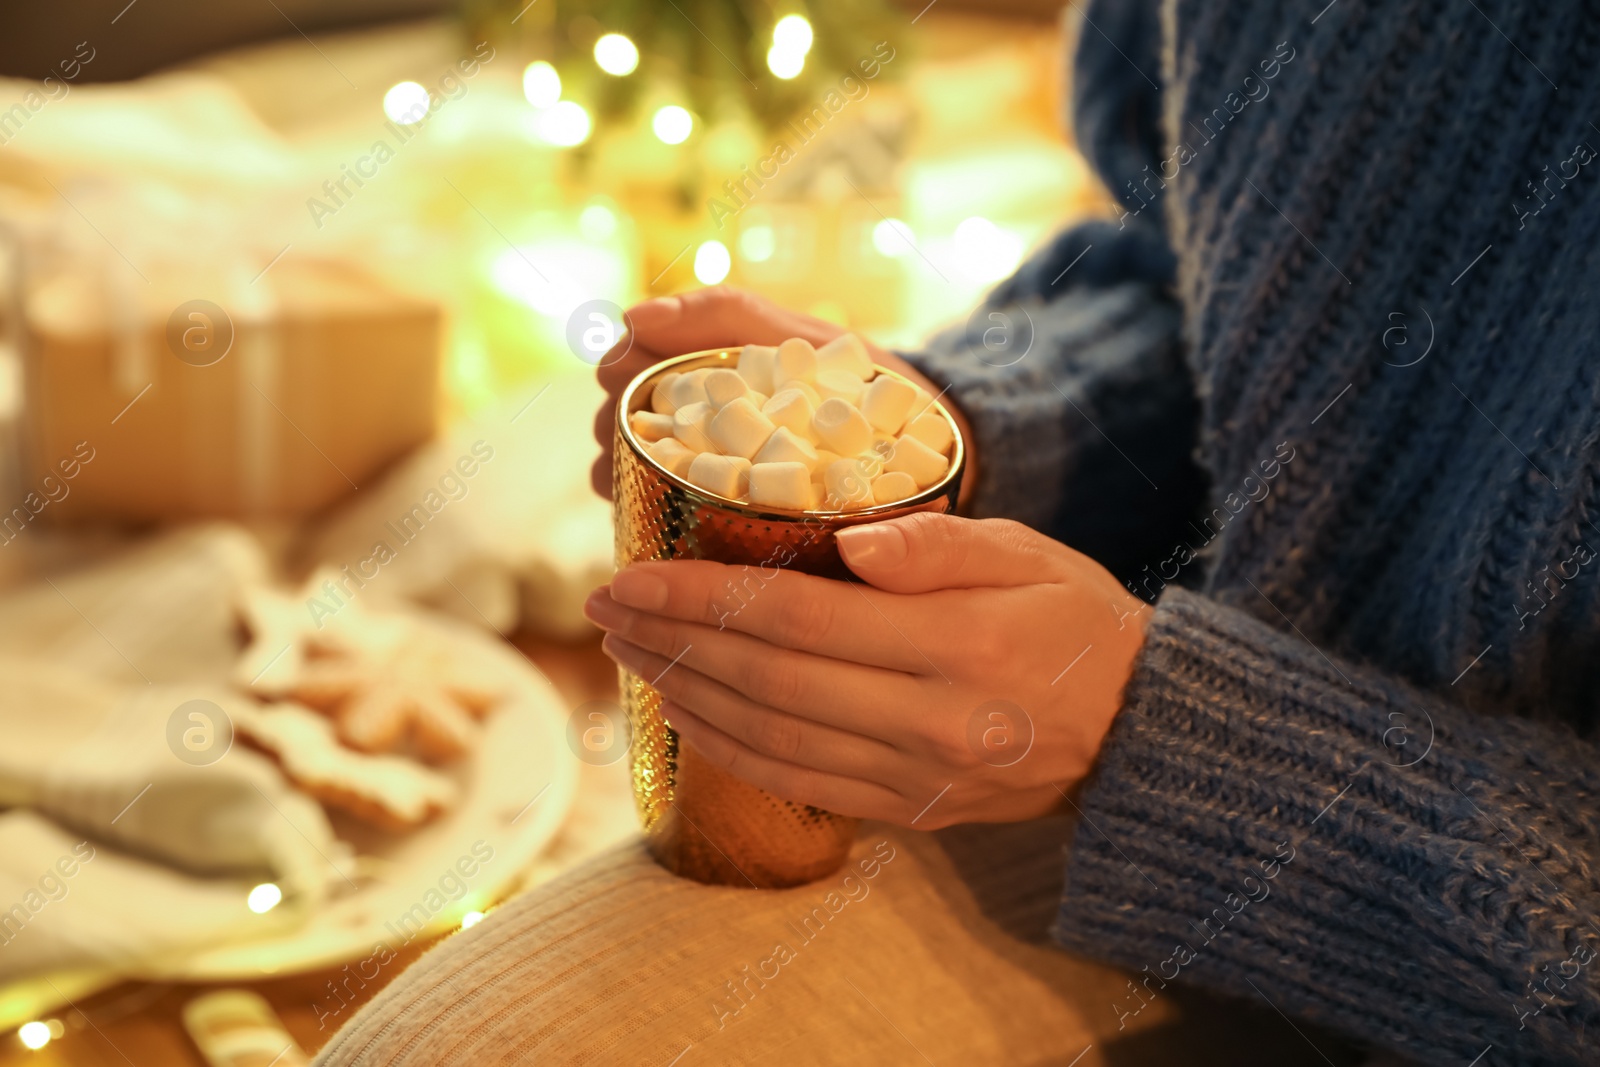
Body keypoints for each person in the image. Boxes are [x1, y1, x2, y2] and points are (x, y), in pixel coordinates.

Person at [316, 0, 1600, 1063]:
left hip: (1421, 893)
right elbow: (1216, 281)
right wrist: (952, 437)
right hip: (1172, 750)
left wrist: (1174, 747)